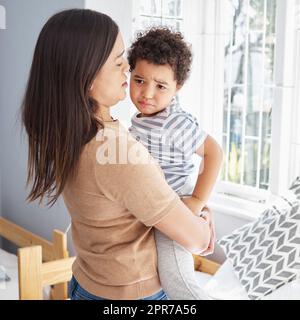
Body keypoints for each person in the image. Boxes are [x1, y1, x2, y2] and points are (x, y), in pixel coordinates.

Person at [21, 9, 212, 300]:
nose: (128, 67)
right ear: (86, 78)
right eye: (117, 60)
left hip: (88, 281)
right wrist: (204, 217)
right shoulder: (116, 151)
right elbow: (197, 240)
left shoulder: (68, 133)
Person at [128, 27, 223, 299]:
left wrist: (196, 200)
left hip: (174, 207)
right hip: (154, 204)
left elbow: (214, 153)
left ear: (177, 88)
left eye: (160, 86)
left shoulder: (175, 121)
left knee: (177, 283)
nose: (146, 93)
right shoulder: (143, 117)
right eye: (139, 80)